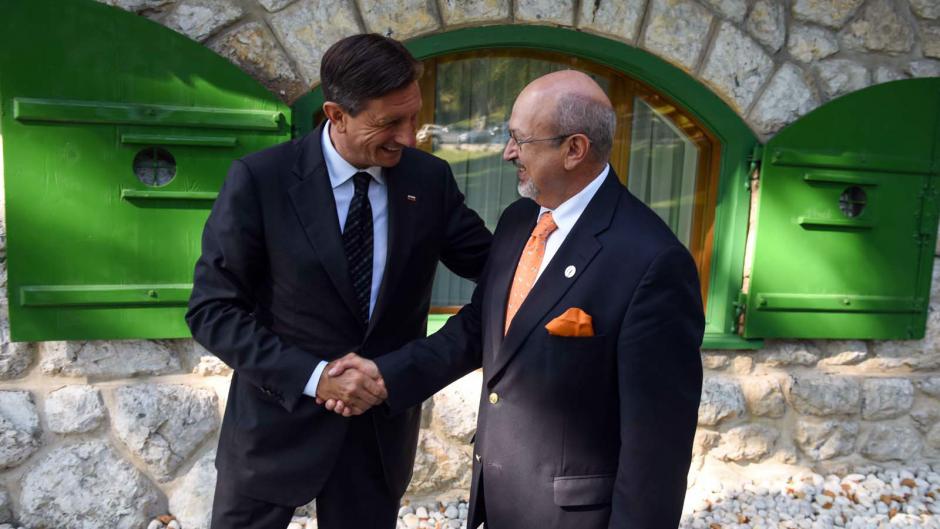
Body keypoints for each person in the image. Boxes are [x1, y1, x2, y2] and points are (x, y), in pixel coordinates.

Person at [325, 70, 705, 529]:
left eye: (520, 140)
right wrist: (385, 376)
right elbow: (479, 328)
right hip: (498, 501)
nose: (507, 153)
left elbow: (657, 446)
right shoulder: (519, 220)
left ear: (574, 149)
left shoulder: (652, 261)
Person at [185, 34, 492, 529]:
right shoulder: (261, 180)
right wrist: (315, 377)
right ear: (336, 114)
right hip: (271, 432)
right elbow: (212, 311)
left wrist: (404, 371)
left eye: (413, 117)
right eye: (389, 122)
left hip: (377, 439)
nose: (408, 138)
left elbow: (499, 275)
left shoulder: (429, 181)